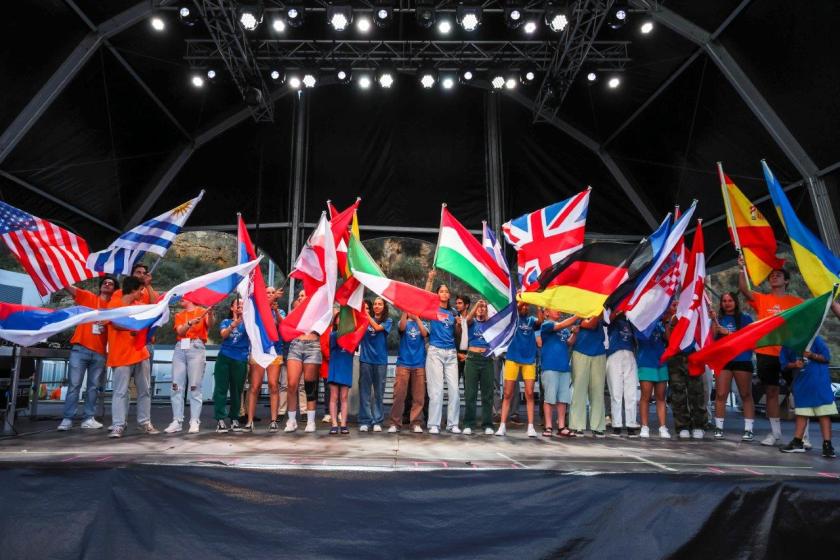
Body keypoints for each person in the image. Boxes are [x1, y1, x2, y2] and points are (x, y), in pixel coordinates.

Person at [737, 258, 803, 446]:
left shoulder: (796, 302)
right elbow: (744, 290)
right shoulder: (762, 299)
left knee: (798, 392)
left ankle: (802, 436)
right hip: (766, 352)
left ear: (787, 281)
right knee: (771, 391)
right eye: (772, 275)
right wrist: (742, 268)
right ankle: (775, 434)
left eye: (779, 275)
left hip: (789, 352)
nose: (774, 277)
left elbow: (806, 321)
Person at [57, 275, 119, 431]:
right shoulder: (89, 298)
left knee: (93, 387)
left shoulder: (115, 309)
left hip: (99, 352)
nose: (107, 284)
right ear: (100, 286)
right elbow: (69, 287)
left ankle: (88, 418)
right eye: (104, 282)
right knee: (74, 385)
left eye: (111, 284)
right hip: (80, 348)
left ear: (115, 289)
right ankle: (67, 419)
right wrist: (57, 275)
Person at [107, 276, 159, 438]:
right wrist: (133, 327)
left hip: (140, 353)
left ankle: (144, 423)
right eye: (141, 289)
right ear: (134, 290)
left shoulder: (140, 306)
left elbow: (152, 315)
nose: (142, 293)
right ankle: (118, 425)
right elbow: (115, 323)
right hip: (121, 355)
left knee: (145, 390)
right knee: (120, 392)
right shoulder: (114, 304)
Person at [779, 336, 836, 458]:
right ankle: (797, 442)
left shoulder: (815, 339)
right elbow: (783, 364)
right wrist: (794, 364)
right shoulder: (788, 342)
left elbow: (826, 358)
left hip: (820, 384)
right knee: (802, 414)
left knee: (824, 414)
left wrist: (812, 355)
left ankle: (827, 445)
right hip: (802, 385)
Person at [710, 292, 756, 441]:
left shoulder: (745, 318)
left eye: (730, 300)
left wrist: (728, 332)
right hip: (723, 360)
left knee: (745, 394)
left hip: (742, 359)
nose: (727, 303)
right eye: (724, 301)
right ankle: (718, 427)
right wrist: (713, 323)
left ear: (735, 302)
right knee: (721, 394)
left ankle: (749, 429)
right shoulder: (718, 319)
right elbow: (711, 340)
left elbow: (748, 339)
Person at [165, 298, 213, 434]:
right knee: (176, 385)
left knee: (194, 385)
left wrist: (211, 313)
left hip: (196, 347)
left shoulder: (203, 311)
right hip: (180, 347)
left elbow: (210, 324)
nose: (181, 298)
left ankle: (194, 420)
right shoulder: (179, 315)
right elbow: (180, 331)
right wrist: (190, 323)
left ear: (191, 298)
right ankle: (177, 420)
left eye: (183, 296)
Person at [497, 301, 543, 437]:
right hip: (512, 358)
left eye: (527, 306)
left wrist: (539, 303)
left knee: (529, 393)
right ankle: (502, 426)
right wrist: (521, 299)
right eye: (523, 305)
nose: (524, 307)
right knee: (507, 393)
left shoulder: (531, 320)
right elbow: (515, 309)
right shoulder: (513, 318)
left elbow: (540, 320)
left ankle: (530, 427)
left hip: (529, 360)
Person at [424, 269, 461, 435]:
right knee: (436, 390)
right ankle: (434, 424)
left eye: (447, 291)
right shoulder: (432, 308)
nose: (444, 293)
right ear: (437, 294)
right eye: (441, 291)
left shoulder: (454, 312)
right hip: (435, 352)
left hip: (451, 353)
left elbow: (458, 335)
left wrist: (459, 325)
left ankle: (453, 424)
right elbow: (423, 297)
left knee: (454, 389)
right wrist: (430, 279)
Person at [665, 302, 708, 440]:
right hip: (676, 358)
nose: (678, 306)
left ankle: (698, 425)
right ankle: (682, 426)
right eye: (675, 305)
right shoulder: (672, 318)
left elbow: (706, 335)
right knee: (678, 393)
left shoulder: (696, 314)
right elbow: (668, 339)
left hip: (694, 356)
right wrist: (672, 322)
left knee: (697, 392)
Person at [244, 286, 284, 433]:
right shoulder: (257, 309)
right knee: (255, 386)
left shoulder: (279, 311)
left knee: (274, 385)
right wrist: (271, 301)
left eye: (273, 293)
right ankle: (249, 421)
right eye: (267, 292)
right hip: (259, 350)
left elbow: (281, 326)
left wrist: (275, 310)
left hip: (274, 351)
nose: (271, 295)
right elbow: (259, 319)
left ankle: (273, 421)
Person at [283, 291, 322, 433]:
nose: (300, 297)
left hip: (313, 346)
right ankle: (292, 420)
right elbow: (284, 326)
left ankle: (311, 421)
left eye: (303, 295)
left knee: (310, 385)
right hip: (295, 346)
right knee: (292, 384)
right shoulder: (294, 313)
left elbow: (328, 322)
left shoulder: (318, 311)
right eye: (299, 296)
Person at [388, 310, 428, 433]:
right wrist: (405, 312)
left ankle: (415, 423)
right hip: (403, 363)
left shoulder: (424, 323)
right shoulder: (403, 321)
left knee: (419, 396)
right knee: (399, 395)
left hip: (419, 363)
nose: (412, 311)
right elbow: (401, 327)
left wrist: (417, 319)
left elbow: (424, 333)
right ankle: (395, 423)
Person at [213, 298, 249, 432]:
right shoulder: (226, 322)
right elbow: (223, 335)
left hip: (240, 359)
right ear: (232, 308)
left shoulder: (248, 323)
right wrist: (233, 325)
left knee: (237, 390)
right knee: (221, 389)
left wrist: (244, 319)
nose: (240, 307)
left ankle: (234, 418)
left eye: (242, 306)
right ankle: (220, 419)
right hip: (225, 357)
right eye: (237, 305)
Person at [538, 310, 577, 437]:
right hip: (550, 366)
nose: (558, 311)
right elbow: (559, 326)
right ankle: (548, 426)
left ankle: (561, 426)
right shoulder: (546, 325)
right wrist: (578, 315)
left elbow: (568, 343)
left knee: (563, 399)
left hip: (564, 367)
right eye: (555, 309)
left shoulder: (564, 329)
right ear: (547, 313)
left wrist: (575, 334)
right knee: (549, 398)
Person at [569, 316, 607, 437]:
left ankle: (598, 426)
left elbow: (607, 320)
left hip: (599, 352)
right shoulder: (579, 310)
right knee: (579, 390)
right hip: (580, 351)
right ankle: (576, 425)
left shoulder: (601, 309)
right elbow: (591, 324)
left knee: (597, 390)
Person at [358, 297, 392, 432]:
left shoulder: (387, 321)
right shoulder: (364, 320)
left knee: (379, 392)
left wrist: (366, 315)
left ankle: (377, 420)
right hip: (366, 359)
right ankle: (365, 420)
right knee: (365, 392)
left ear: (384, 307)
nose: (377, 306)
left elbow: (377, 328)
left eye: (380, 304)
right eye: (375, 304)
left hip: (380, 361)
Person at [462, 300, 495, 435]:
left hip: (487, 359)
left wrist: (487, 310)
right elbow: (467, 319)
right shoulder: (472, 322)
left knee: (487, 394)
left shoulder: (490, 324)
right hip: (472, 359)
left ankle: (487, 424)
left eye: (483, 307)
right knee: (470, 393)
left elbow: (494, 325)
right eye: (479, 308)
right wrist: (477, 305)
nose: (481, 309)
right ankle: (469, 423)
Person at [635, 317, 671, 439]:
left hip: (661, 362)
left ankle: (663, 427)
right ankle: (644, 426)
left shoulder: (662, 321)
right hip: (646, 362)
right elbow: (642, 337)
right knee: (646, 396)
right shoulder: (641, 320)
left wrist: (666, 322)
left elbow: (669, 339)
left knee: (661, 396)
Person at [606, 313, 639, 437]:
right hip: (615, 354)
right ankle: (617, 425)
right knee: (616, 392)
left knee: (631, 392)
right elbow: (608, 320)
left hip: (630, 354)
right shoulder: (613, 317)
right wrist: (619, 310)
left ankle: (631, 424)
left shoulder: (631, 321)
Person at [327, 316, 352, 435]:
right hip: (335, 367)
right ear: (335, 321)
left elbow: (353, 349)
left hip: (346, 367)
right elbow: (331, 348)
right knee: (334, 396)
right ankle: (334, 424)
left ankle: (343, 424)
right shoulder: (333, 335)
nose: (341, 320)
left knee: (344, 397)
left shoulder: (351, 336)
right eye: (339, 318)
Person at [455, 294, 471, 380]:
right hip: (455, 356)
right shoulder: (454, 319)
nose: (457, 305)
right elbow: (450, 338)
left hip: (470, 356)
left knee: (468, 385)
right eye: (456, 303)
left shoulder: (473, 319)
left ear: (467, 305)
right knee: (453, 384)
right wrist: (457, 354)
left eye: (460, 303)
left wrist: (468, 355)